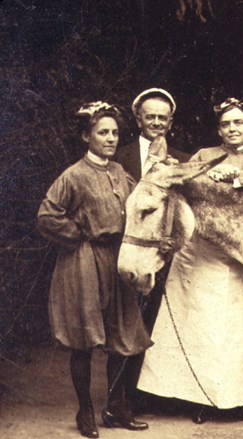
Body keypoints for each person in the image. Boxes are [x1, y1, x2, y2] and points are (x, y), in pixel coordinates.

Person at [136, 98, 243, 424]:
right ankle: (183, 398)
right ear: (219, 129)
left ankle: (224, 400)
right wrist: (213, 171)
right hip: (197, 251)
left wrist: (238, 176)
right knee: (190, 326)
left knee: (229, 328)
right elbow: (183, 180)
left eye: (238, 122)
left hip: (235, 256)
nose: (232, 129)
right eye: (226, 124)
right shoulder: (204, 156)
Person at [37, 102, 151, 438]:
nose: (111, 138)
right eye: (103, 132)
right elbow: (47, 215)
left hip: (117, 259)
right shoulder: (73, 175)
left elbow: (138, 205)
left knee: (121, 336)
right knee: (83, 340)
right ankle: (84, 411)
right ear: (87, 136)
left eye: (115, 132)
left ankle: (115, 407)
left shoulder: (119, 172)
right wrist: (78, 233)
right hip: (84, 262)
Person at [113, 88, 190, 408]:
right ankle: (121, 396)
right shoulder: (120, 157)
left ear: (171, 121)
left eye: (163, 117)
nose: (156, 122)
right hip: (130, 250)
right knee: (125, 322)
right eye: (150, 116)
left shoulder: (185, 160)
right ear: (138, 119)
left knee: (160, 322)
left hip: (167, 256)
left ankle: (149, 395)